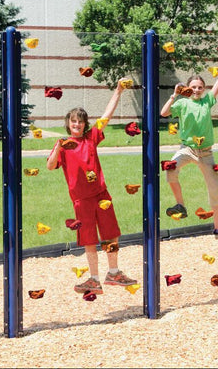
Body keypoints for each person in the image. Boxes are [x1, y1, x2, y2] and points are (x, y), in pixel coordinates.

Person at [47, 78, 137, 295]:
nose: (76, 125)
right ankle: (94, 278)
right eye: (73, 122)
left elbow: (106, 116)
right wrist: (58, 148)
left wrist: (118, 91)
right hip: (81, 200)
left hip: (101, 195)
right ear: (68, 123)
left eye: (80, 122)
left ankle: (114, 272)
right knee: (88, 239)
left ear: (85, 125)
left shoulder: (91, 138)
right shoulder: (64, 145)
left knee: (111, 233)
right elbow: (50, 166)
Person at [160, 52, 218, 238]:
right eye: (193, 87)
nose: (196, 90)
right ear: (188, 88)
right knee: (170, 169)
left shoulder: (207, 101)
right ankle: (180, 205)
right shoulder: (182, 103)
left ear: (203, 89)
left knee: (215, 188)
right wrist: (174, 95)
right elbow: (164, 113)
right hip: (187, 149)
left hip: (206, 153)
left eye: (200, 87)